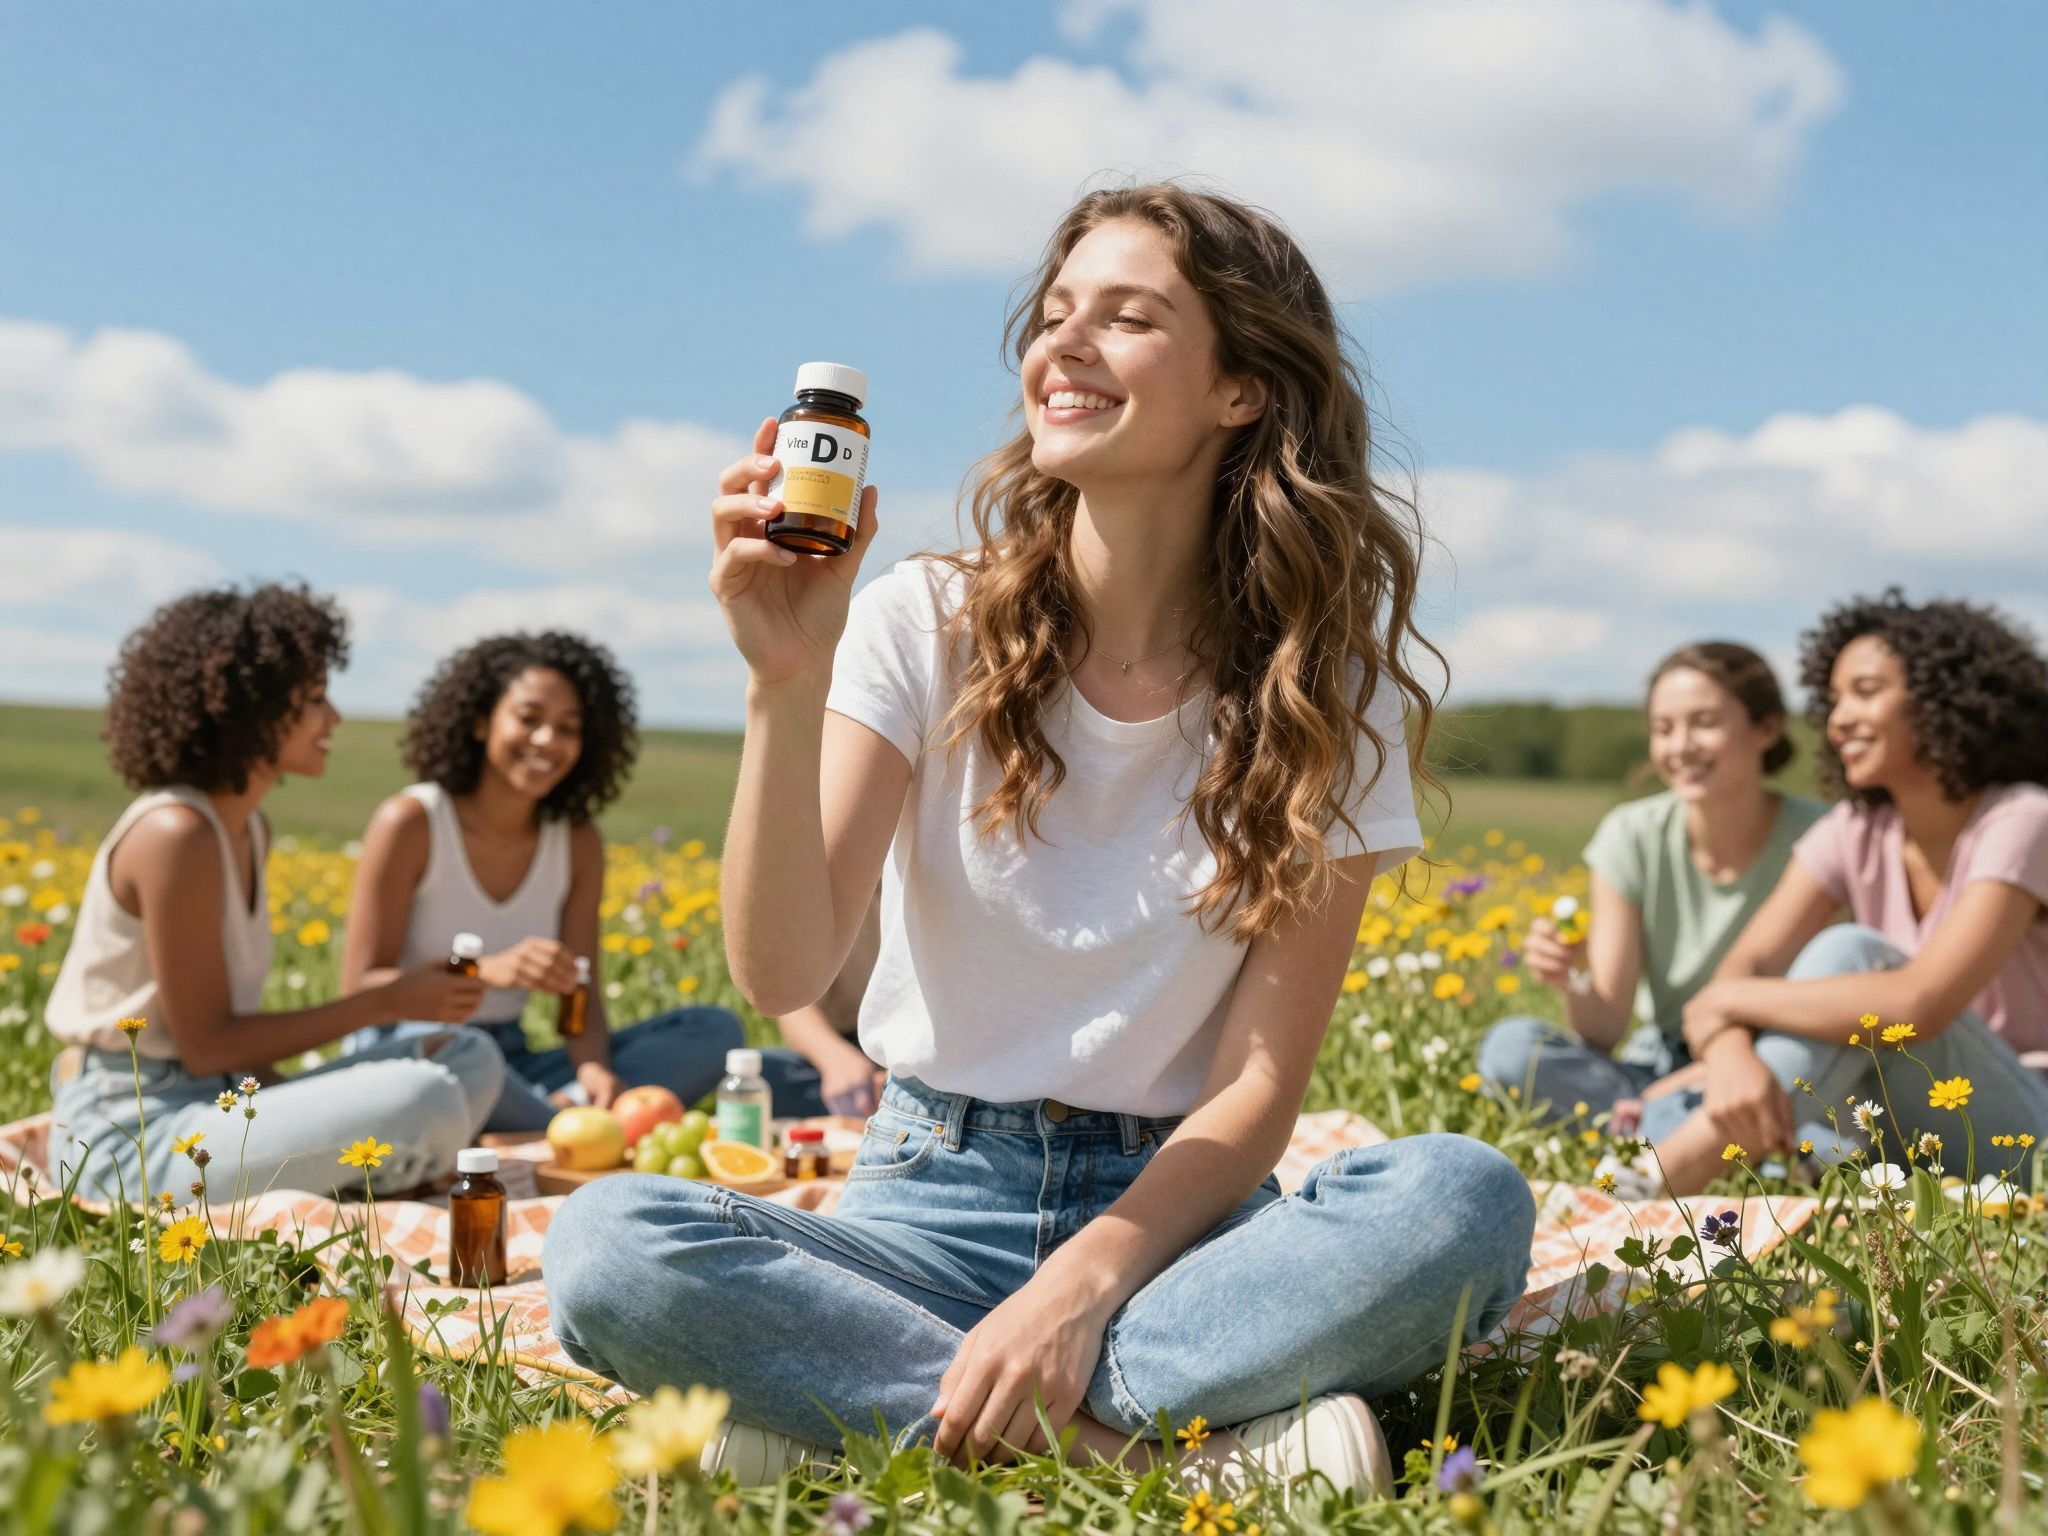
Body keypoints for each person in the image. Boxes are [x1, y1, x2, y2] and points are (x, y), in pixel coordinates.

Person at [546, 184, 1536, 1496]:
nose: (1062, 344)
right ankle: (1150, 1463)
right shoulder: (921, 620)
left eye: (1127, 319)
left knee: (1461, 1202)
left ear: (1241, 389)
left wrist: (1082, 1285)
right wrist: (784, 680)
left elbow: (1254, 1091)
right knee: (611, 1245)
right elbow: (782, 969)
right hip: (923, 1202)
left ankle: (866, 1406)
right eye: (1055, 314)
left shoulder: (1321, 689)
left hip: (1178, 1229)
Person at [46, 584, 505, 1201]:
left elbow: (224, 1054)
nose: (334, 718)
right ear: (249, 710)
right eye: (314, 699)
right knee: (422, 1096)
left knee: (465, 1056)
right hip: (141, 1139)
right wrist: (385, 1001)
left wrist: (309, 1103)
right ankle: (369, 1175)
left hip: (226, 1100)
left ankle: (354, 1171)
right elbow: (207, 1046)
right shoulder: (174, 834)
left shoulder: (247, 828)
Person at [1647, 591, 2048, 1193]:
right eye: (1833, 699)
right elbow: (1743, 968)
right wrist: (1731, 1060)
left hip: (2020, 1130)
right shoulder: (1854, 829)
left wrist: (1726, 1006)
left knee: (1853, 955)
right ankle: (1695, 1149)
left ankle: (1652, 1186)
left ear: (1941, 699)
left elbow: (1917, 1006)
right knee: (1686, 1100)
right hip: (1894, 1133)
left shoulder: (2023, 819)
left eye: (1865, 692)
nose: (1836, 720)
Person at [341, 633, 744, 1132]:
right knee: (455, 1057)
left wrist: (593, 1066)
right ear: (480, 719)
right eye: (528, 719)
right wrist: (481, 971)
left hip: (511, 1059)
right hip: (414, 1049)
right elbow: (357, 987)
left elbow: (580, 992)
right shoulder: (411, 822)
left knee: (713, 1029)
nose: (547, 741)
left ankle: (551, 1113)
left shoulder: (575, 841)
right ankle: (557, 1122)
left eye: (568, 728)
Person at [1478, 644, 1824, 1144]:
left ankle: (1647, 1129)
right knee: (1510, 1049)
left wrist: (1712, 1074)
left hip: (1776, 1062)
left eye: (1703, 722)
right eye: (1663, 729)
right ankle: (1680, 1133)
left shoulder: (1821, 839)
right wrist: (1574, 972)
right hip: (1659, 1066)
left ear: (1766, 729)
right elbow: (1602, 1030)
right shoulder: (1631, 835)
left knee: (1831, 1124)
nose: (1680, 746)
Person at [758, 881, 884, 1119]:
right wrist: (835, 1059)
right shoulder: (835, 876)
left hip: (929, 1058)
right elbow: (792, 1003)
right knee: (765, 1076)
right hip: (850, 1049)